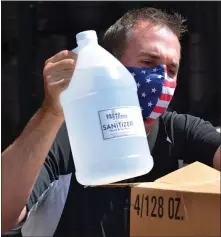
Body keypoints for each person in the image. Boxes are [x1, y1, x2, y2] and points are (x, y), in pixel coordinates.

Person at [2, 7, 220, 237]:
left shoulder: (178, 131)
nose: (161, 78)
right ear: (111, 65)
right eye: (148, 62)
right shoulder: (64, 135)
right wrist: (51, 114)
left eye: (171, 70)